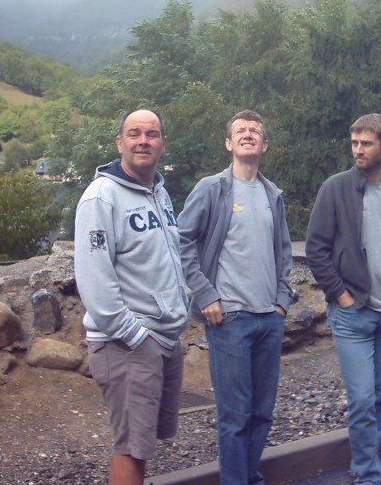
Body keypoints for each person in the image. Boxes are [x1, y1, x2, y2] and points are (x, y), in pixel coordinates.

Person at [177, 110, 295, 485]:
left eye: (255, 131)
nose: (248, 135)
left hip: (269, 318)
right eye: (240, 131)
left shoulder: (271, 193)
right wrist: (206, 293)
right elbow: (181, 240)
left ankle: (249, 477)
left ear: (264, 145)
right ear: (229, 143)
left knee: (262, 413)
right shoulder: (212, 188)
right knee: (234, 415)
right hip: (229, 319)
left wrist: (281, 302)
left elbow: (285, 252)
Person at [74, 108, 188, 485]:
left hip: (164, 337)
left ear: (163, 144)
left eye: (152, 134)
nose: (144, 140)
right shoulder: (101, 198)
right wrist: (136, 338)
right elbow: (94, 279)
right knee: (131, 448)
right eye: (135, 133)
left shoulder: (159, 191)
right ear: (119, 142)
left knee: (144, 443)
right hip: (128, 343)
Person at [305, 113, 381, 485]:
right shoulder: (335, 188)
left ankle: (366, 468)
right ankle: (369, 477)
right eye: (354, 143)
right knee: (362, 400)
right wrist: (341, 295)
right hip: (353, 315)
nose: (358, 150)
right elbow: (316, 249)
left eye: (366, 143)